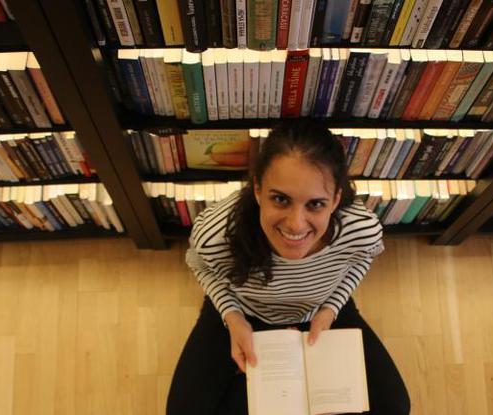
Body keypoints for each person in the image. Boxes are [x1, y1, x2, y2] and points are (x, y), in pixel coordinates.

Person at [166, 121, 410, 415]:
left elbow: (362, 259)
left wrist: (331, 308)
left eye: (316, 204)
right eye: (280, 199)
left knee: (394, 406)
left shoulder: (361, 229)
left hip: (320, 311)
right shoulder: (217, 234)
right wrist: (232, 316)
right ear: (258, 190)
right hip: (243, 311)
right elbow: (200, 264)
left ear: (335, 200)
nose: (296, 225)